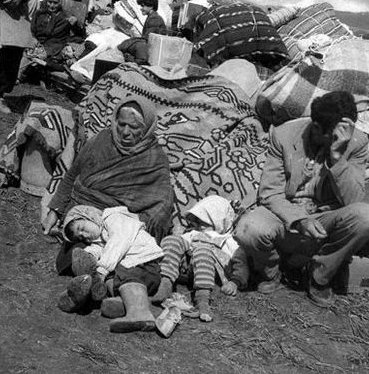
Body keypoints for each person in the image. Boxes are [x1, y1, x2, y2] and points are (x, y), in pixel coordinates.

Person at [234, 91, 369, 308]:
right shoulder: (284, 135)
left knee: (367, 217)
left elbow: (354, 200)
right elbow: (270, 193)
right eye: (333, 136)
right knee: (249, 229)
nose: (341, 139)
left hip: (326, 216)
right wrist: (299, 220)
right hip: (287, 213)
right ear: (316, 127)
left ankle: (319, 275)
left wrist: (338, 157)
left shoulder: (356, 142)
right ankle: (272, 271)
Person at [41, 95, 174, 275]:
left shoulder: (155, 159)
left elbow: (162, 203)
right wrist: (55, 211)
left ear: (147, 128)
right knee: (71, 257)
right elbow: (73, 174)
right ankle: (96, 276)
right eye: (121, 124)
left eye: (134, 127)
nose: (125, 132)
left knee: (130, 257)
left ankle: (108, 278)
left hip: (122, 222)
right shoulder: (100, 140)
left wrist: (136, 225)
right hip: (85, 216)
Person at [57, 205, 164, 333]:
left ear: (90, 216)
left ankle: (140, 314)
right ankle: (122, 304)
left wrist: (102, 269)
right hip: (127, 268)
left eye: (82, 228)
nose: (84, 235)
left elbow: (118, 241)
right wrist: (87, 257)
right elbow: (99, 250)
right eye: (81, 238)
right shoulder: (100, 240)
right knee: (110, 279)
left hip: (144, 262)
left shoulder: (113, 218)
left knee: (127, 275)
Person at [152, 195, 249, 323]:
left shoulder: (228, 240)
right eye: (198, 220)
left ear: (219, 220)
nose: (200, 224)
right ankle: (165, 282)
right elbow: (179, 245)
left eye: (205, 221)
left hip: (208, 272)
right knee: (172, 240)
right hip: (187, 269)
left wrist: (235, 282)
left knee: (202, 250)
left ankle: (202, 300)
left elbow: (241, 263)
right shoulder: (193, 233)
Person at [26, 0, 86, 72]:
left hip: (54, 46)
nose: (52, 5)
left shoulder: (66, 16)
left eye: (55, 3)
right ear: (46, 1)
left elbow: (81, 34)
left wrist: (76, 23)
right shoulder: (39, 14)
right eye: (50, 2)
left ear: (60, 3)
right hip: (37, 43)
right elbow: (32, 30)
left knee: (36, 58)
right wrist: (33, 41)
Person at [117, 0, 168, 65]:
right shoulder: (152, 16)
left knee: (139, 45)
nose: (141, 8)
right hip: (153, 45)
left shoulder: (155, 18)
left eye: (143, 6)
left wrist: (130, 42)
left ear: (151, 7)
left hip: (156, 48)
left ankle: (139, 61)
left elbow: (148, 38)